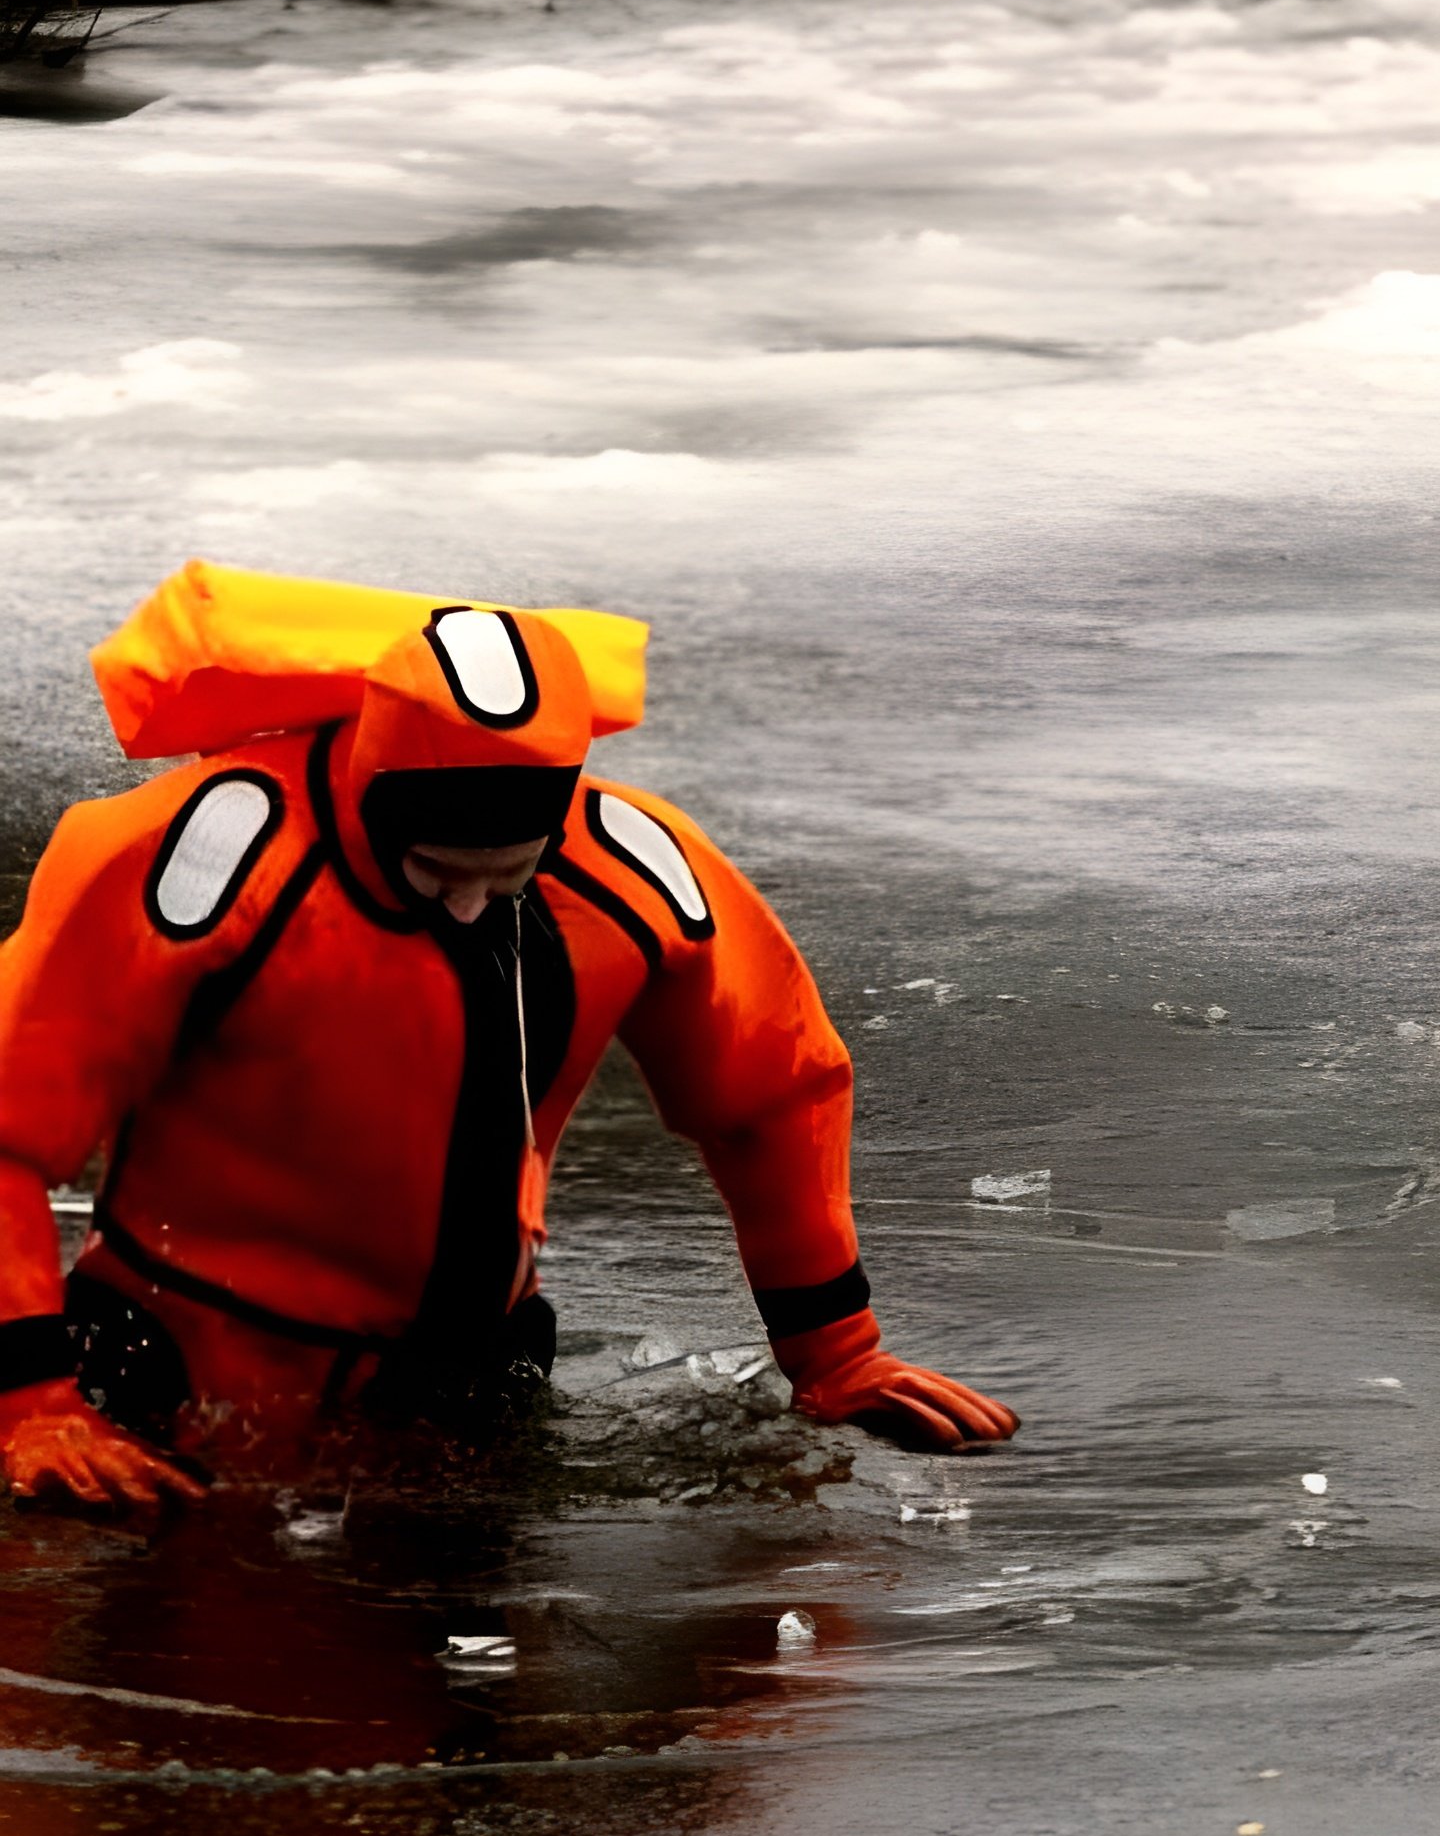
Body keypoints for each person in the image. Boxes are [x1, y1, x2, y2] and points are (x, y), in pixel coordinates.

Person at [0, 587, 1019, 1513]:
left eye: (508, 875)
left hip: (470, 1375)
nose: (469, 904)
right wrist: (29, 1396)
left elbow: (774, 1091)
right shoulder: (192, 861)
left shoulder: (632, 874)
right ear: (371, 794)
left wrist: (837, 1351)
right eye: (437, 871)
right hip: (175, 1365)